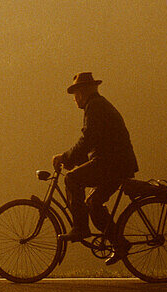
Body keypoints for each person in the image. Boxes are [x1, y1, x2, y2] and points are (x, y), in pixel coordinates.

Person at [52, 72, 139, 265]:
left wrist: (65, 157)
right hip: (117, 163)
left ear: (82, 93)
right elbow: (93, 143)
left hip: (111, 164)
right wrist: (72, 160)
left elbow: (88, 139)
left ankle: (80, 228)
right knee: (93, 203)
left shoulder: (95, 107)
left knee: (71, 180)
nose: (74, 100)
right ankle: (120, 244)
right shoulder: (99, 105)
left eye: (75, 95)